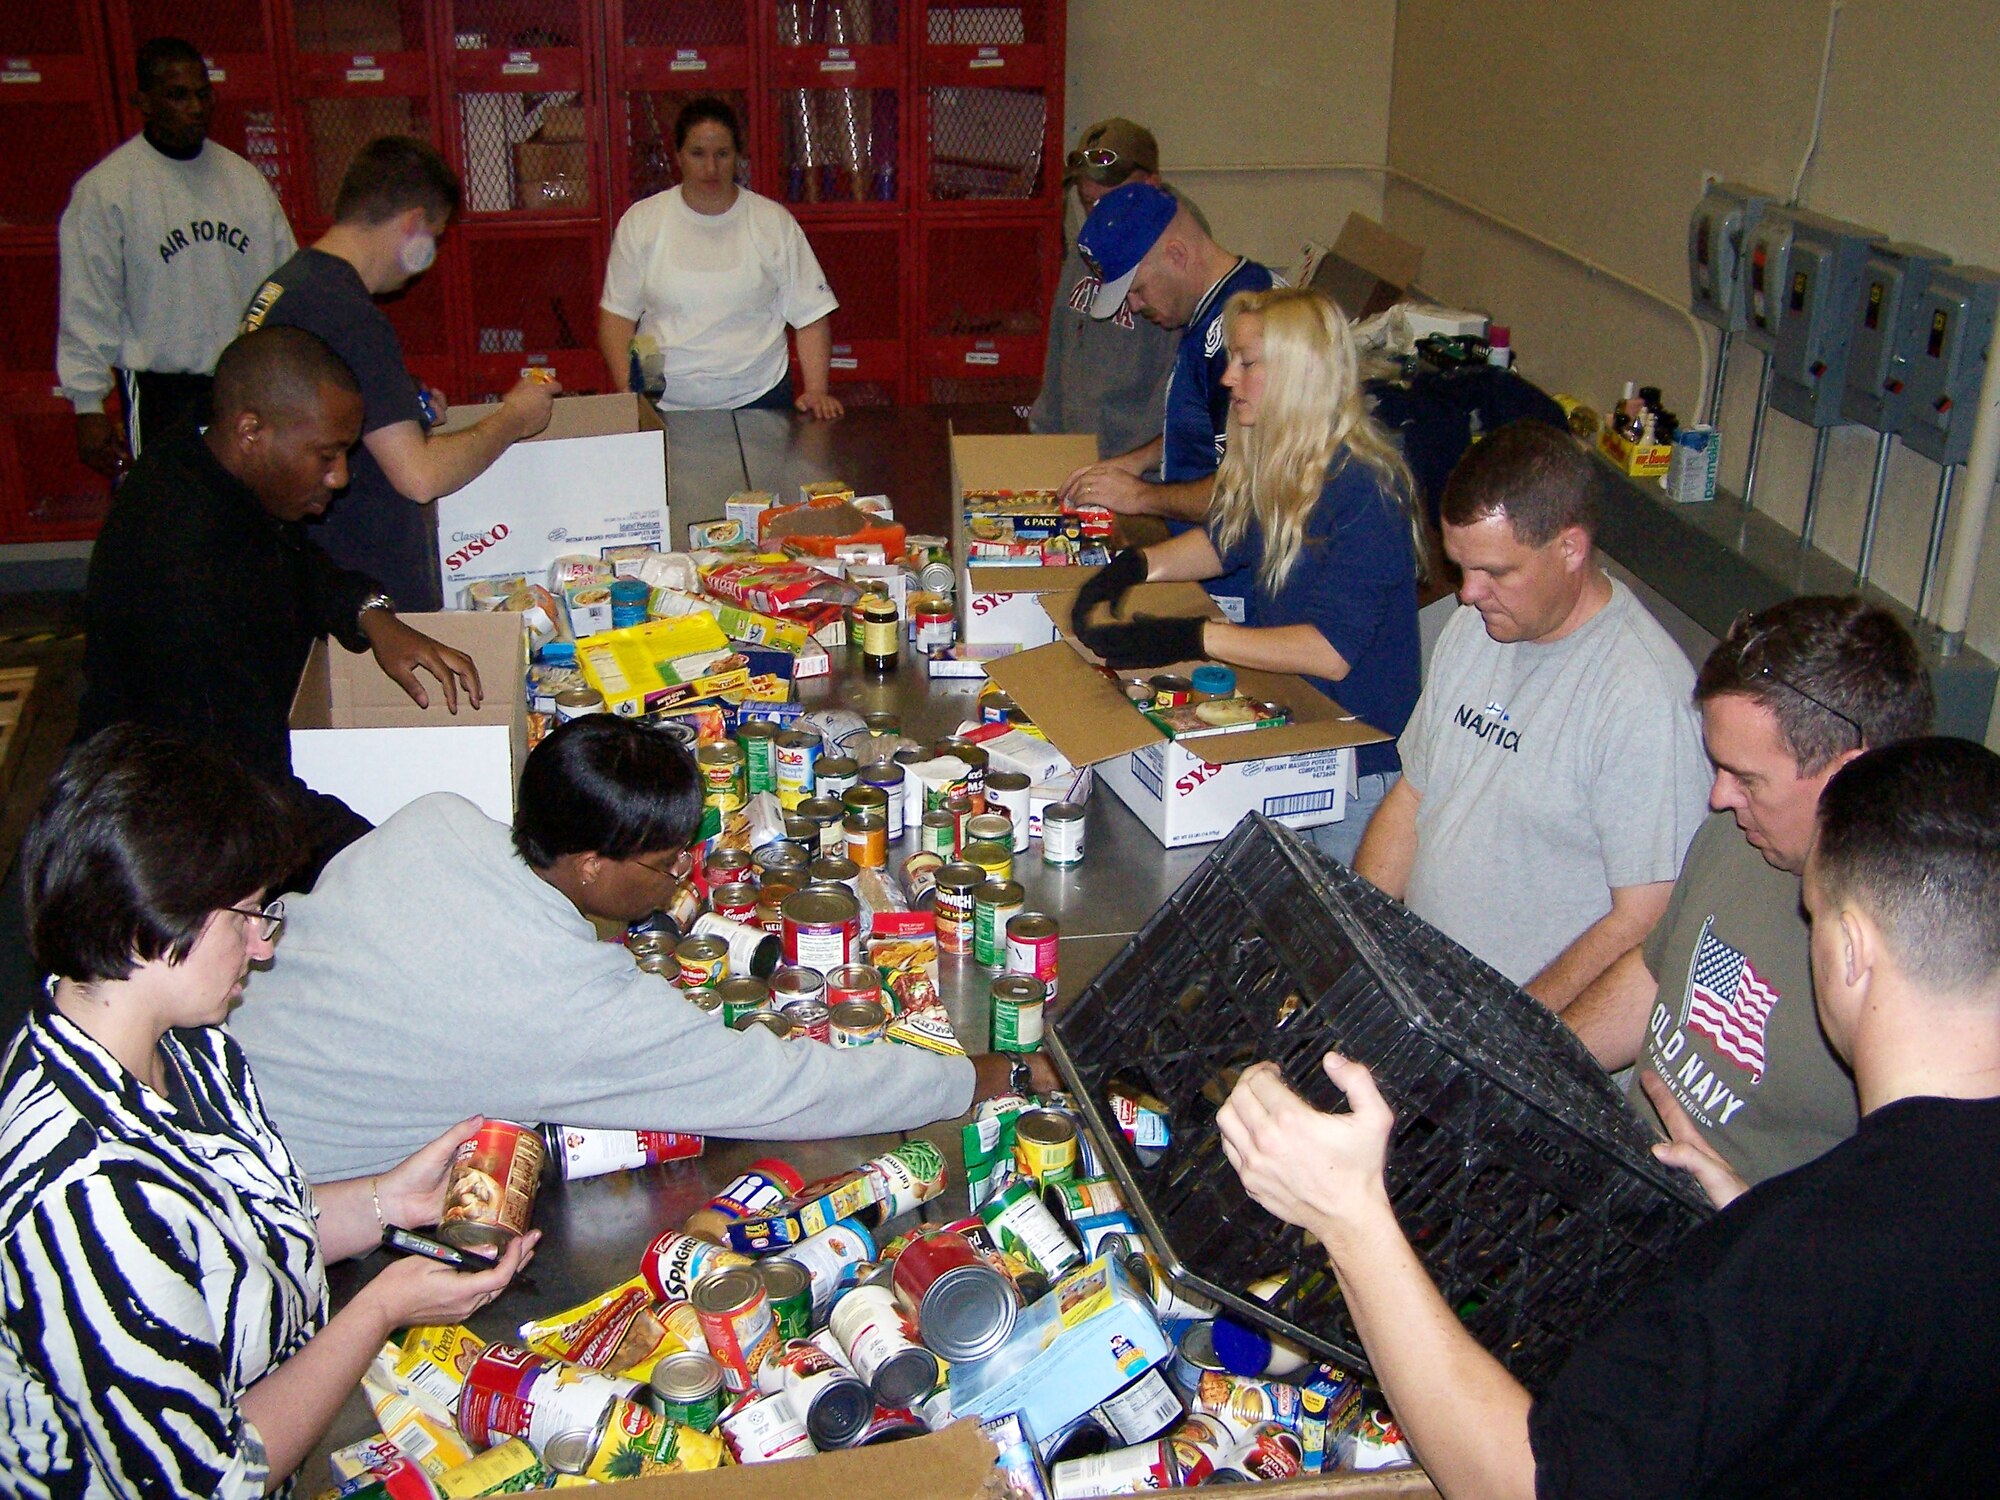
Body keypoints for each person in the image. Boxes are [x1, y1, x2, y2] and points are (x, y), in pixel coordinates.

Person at [1219, 735, 2000, 1497]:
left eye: (1814, 917)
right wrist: (1754, 1216)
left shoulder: (1797, 1261)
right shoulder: (1825, 1238)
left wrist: (1350, 1218)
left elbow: (1532, 1484)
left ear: (1852, 950)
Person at [0, 726, 535, 1497]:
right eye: (246, 915)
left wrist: (385, 1201)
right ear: (154, 922)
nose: (263, 947)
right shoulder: (84, 1197)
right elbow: (210, 1481)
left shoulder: (188, 1049)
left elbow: (230, 1240)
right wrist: (382, 1307)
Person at [231, 715, 1058, 1179]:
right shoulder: (562, 1003)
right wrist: (982, 1075)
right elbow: (787, 1090)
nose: (676, 886)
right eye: (662, 867)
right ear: (590, 862)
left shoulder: (435, 817)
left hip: (199, 1060)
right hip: (269, 1183)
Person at [77, 326, 483, 879]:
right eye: (326, 454)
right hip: (158, 835)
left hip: (214, 773)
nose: (340, 477)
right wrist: (394, 861)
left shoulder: (205, 453)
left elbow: (291, 562)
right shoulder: (187, 576)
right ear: (252, 431)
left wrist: (369, 612)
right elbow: (251, 798)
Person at [1562, 597, 1933, 1190]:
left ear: (1850, 777)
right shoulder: (1739, 837)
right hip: (1621, 1191)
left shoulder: (1920, 963)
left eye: (1747, 778)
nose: (1718, 797)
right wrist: (1539, 1066)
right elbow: (1660, 974)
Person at [1353, 421, 1708, 1009]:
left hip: (1530, 1040)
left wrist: (1509, 1031)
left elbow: (1644, 920)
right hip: (1427, 999)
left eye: (1495, 571)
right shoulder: (1477, 625)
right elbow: (1414, 795)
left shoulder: (1644, 699)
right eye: (1460, 566)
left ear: (1570, 548)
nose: (1466, 593)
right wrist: (1357, 941)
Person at [1070, 287, 1424, 865]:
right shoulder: (1287, 464)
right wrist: (1131, 569)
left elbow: (1330, 652)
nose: (1229, 378)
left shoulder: (1367, 489)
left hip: (1360, 771)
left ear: (1298, 374)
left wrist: (1191, 637)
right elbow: (1224, 540)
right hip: (1299, 734)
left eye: (1247, 362)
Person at [242, 136, 558, 610]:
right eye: (433, 237)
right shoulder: (348, 313)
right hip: (359, 585)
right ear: (413, 223)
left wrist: (401, 407)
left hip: (301, 571)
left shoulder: (290, 284)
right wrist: (515, 416)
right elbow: (419, 475)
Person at [58, 37, 296, 478]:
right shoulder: (108, 191)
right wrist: (87, 403)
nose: (195, 106)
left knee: (245, 510)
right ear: (144, 101)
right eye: (177, 95)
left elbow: (285, 283)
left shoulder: (243, 182)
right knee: (167, 521)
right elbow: (87, 303)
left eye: (203, 93)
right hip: (161, 393)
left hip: (243, 384)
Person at [1056, 182, 1279, 621]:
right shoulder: (1224, 305)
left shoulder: (1239, 336)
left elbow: (1254, 491)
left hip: (1238, 582)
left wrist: (1142, 496)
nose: (1135, 307)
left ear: (1177, 255)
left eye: (1137, 289)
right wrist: (1137, 461)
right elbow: (1206, 425)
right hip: (1207, 560)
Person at [597, 97, 843, 419]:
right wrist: (635, 394)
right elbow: (617, 318)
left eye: (722, 155)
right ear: (678, 156)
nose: (711, 168)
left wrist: (816, 390)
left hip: (759, 396)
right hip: (665, 401)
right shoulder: (642, 221)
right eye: (698, 154)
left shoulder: (772, 222)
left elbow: (811, 313)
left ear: (737, 156)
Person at [1029, 118, 1204, 459]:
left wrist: (1136, 468)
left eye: (1107, 200)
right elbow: (1060, 344)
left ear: (1151, 184)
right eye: (1087, 201)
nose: (1097, 213)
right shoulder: (1091, 243)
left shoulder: (1172, 269)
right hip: (1075, 457)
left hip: (1134, 471)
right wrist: (1045, 436)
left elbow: (1179, 389)